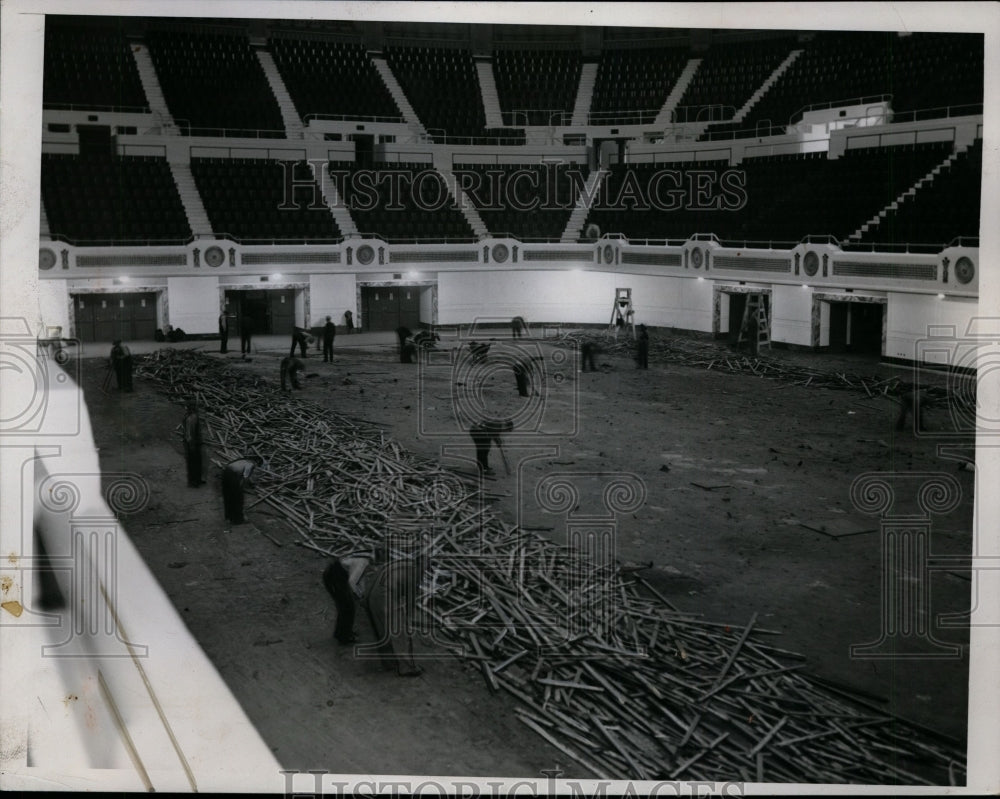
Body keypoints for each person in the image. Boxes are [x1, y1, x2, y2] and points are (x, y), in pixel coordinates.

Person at [322, 540, 429, 676]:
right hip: (372, 592)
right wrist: (408, 617)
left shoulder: (399, 565)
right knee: (399, 632)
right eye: (426, 566)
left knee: (382, 630)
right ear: (421, 564)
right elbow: (410, 599)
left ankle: (389, 663)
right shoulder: (365, 562)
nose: (426, 570)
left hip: (372, 596)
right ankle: (407, 668)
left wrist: (364, 599)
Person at [222, 454, 263, 525]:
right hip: (233, 475)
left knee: (228, 496)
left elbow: (243, 474)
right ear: (257, 461)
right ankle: (238, 520)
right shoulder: (251, 464)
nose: (256, 466)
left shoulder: (243, 460)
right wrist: (241, 488)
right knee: (238, 498)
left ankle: (229, 516)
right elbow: (245, 478)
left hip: (226, 472)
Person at [182, 401, 204, 487]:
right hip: (192, 443)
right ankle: (193, 481)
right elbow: (188, 433)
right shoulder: (191, 418)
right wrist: (191, 445)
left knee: (195, 462)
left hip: (194, 443)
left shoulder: (192, 417)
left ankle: (195, 480)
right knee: (193, 462)